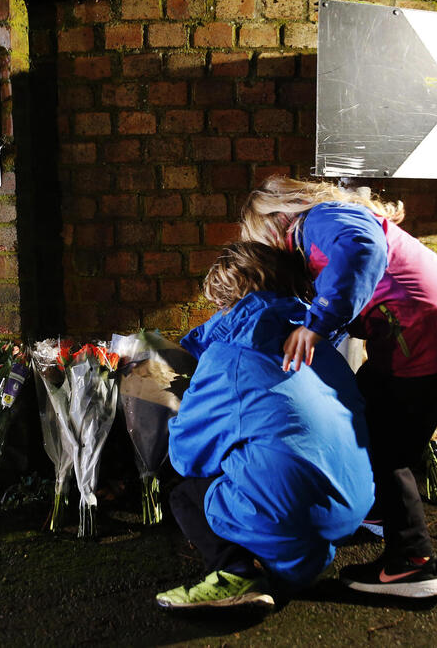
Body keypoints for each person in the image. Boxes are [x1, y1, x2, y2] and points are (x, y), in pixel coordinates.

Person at [240, 175, 437, 599]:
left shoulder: (318, 220)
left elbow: (362, 250)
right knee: (360, 412)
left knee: (384, 447)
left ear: (275, 219)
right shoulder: (330, 225)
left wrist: (316, 323)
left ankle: (411, 563)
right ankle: (378, 512)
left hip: (432, 347)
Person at [156, 242, 374, 610]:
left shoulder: (231, 356)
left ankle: (233, 575)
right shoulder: (318, 345)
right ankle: (289, 560)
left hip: (292, 514)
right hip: (353, 508)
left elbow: (185, 455)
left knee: (184, 490)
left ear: (226, 300)